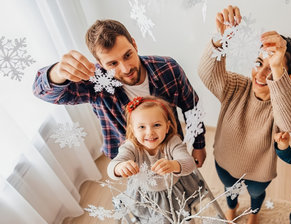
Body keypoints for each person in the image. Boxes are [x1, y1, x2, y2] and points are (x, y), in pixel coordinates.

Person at [32, 19, 206, 166]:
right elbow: (43, 92)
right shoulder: (96, 83)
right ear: (99, 63)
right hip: (130, 161)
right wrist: (57, 72)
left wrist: (199, 145)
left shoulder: (167, 68)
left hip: (171, 148)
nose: (125, 68)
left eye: (128, 55)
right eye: (112, 64)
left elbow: (191, 106)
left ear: (134, 44)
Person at [197, 5, 291, 224]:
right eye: (259, 63)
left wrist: (277, 67)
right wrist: (221, 39)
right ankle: (232, 209)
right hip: (225, 162)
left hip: (259, 171)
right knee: (230, 191)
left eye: (272, 68)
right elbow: (206, 74)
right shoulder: (236, 86)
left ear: (288, 77)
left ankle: (254, 214)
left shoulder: (281, 105)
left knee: (256, 195)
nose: (262, 74)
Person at [107, 96, 200, 224]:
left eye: (156, 125)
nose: (150, 132)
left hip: (176, 188)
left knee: (186, 210)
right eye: (142, 127)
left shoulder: (172, 142)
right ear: (132, 129)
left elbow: (189, 163)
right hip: (149, 194)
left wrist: (174, 165)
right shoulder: (131, 147)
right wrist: (120, 167)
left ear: (167, 126)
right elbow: (113, 165)